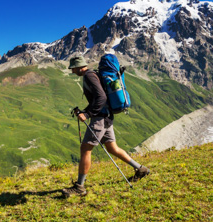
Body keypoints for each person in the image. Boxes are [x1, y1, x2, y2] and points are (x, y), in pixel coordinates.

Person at [62, 55, 150, 197]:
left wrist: (88, 114)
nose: (73, 72)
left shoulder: (89, 76)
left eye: (73, 69)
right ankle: (141, 169)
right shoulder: (94, 74)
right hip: (107, 116)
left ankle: (80, 187)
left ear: (79, 67)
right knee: (112, 148)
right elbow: (99, 98)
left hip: (100, 119)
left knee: (85, 148)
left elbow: (101, 97)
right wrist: (85, 111)